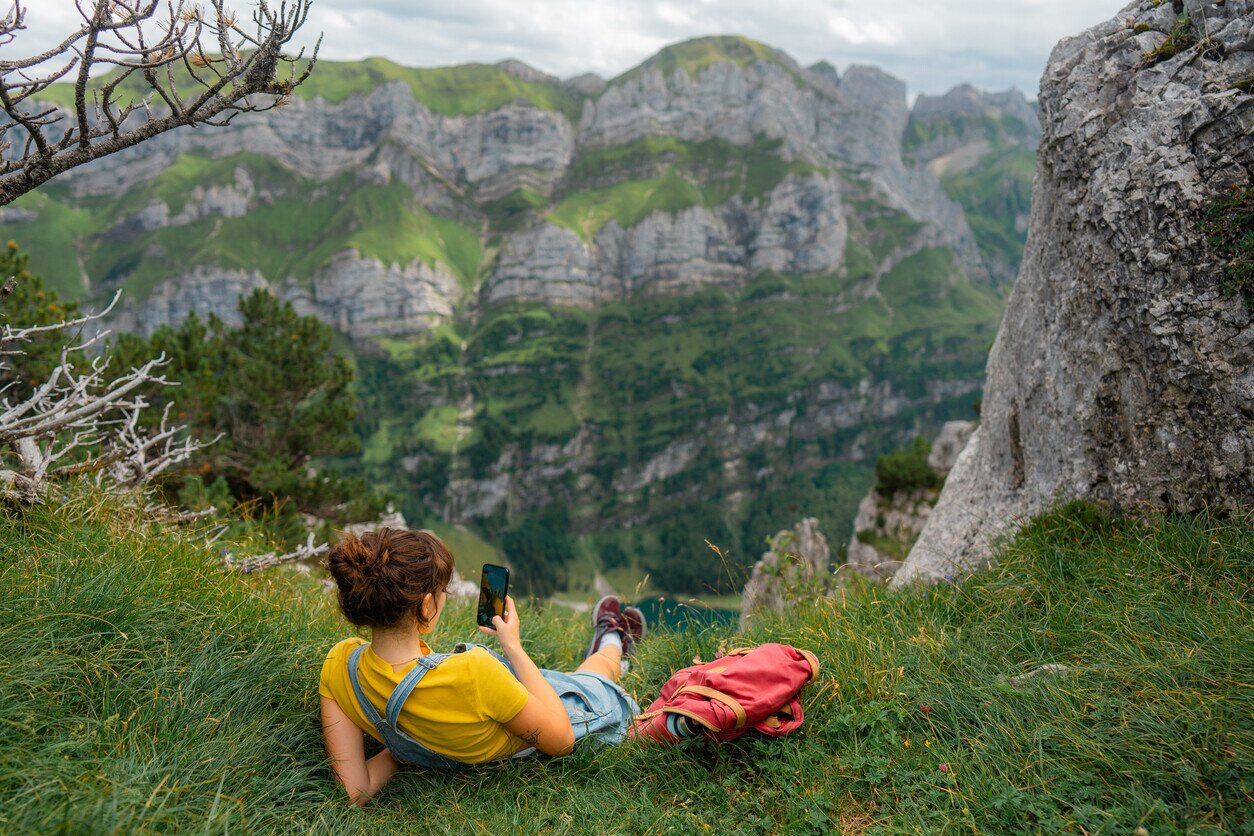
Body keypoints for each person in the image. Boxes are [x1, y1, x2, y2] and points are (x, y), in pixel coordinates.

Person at [318, 527, 646, 804]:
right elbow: (561, 742)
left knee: (573, 676)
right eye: (442, 590)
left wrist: (405, 746)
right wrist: (513, 646)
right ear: (427, 605)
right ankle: (614, 637)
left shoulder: (339, 664)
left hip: (501, 705)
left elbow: (355, 791)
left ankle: (613, 640)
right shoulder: (474, 670)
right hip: (557, 717)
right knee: (594, 676)